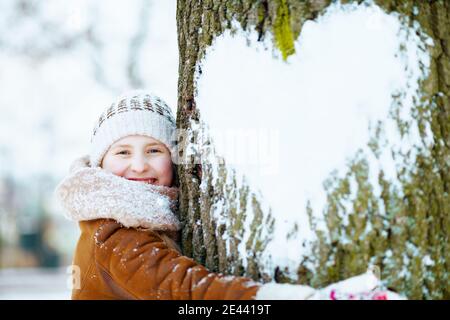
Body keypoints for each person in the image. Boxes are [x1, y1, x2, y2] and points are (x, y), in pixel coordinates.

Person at [55, 91, 403, 300]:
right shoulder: (114, 232)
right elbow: (185, 290)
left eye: (154, 150)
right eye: (122, 153)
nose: (139, 165)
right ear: (100, 163)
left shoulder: (143, 215)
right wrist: (276, 296)